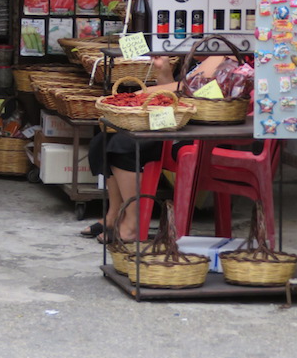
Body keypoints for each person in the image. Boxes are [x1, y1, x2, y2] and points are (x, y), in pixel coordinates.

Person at [80, 54, 229, 243]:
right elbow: (174, 97)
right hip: (179, 123)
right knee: (105, 136)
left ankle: (132, 225)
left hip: (199, 135)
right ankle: (114, 214)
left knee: (124, 144)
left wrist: (143, 93)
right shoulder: (195, 55)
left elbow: (187, 88)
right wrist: (163, 71)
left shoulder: (222, 54)